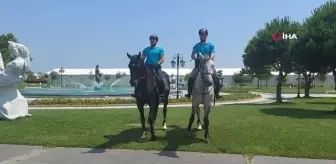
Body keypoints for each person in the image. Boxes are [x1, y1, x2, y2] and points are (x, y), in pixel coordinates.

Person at [185, 28, 222, 99]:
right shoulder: (196, 46)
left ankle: (217, 93)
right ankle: (189, 93)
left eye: (204, 34)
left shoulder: (210, 45)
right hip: (198, 65)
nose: (202, 36)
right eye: (201, 34)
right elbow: (192, 55)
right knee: (191, 77)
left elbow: (213, 53)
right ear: (199, 35)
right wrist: (195, 58)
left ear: (206, 35)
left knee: (216, 77)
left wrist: (210, 58)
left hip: (208, 65)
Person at [131, 34, 166, 100]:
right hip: (147, 67)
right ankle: (136, 92)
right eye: (151, 39)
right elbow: (142, 59)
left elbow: (162, 59)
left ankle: (161, 94)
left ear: (156, 41)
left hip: (156, 67)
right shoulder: (146, 50)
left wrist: (158, 63)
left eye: (153, 39)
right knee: (138, 78)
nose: (152, 40)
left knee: (161, 78)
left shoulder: (160, 49)